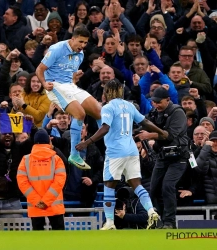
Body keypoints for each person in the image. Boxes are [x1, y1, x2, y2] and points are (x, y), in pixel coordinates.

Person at [76, 79, 168, 230]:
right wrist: (160, 131)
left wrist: (87, 142)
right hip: (131, 150)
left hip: (116, 152)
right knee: (136, 184)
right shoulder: (129, 106)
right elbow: (144, 122)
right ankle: (152, 211)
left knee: (109, 186)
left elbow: (105, 127)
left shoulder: (108, 107)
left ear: (107, 92)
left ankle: (110, 222)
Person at [36, 26, 102, 170]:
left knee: (99, 111)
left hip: (69, 86)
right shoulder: (57, 49)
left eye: (85, 43)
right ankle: (74, 154)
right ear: (72, 39)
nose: (83, 46)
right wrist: (43, 83)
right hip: (54, 85)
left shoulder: (81, 54)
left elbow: (69, 76)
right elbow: (39, 69)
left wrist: (74, 78)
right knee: (80, 114)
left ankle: (109, 145)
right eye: (80, 42)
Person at [136, 87, 190, 229]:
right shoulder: (154, 112)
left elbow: (171, 135)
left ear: (168, 100)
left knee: (168, 186)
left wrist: (149, 136)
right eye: (154, 102)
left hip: (179, 156)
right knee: (153, 188)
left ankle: (170, 222)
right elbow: (144, 124)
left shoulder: (178, 112)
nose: (156, 105)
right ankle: (158, 219)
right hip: (162, 156)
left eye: (159, 102)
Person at [17, 129, 66, 230]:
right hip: (54, 206)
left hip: (35, 206)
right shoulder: (56, 159)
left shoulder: (25, 160)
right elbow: (59, 182)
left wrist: (37, 201)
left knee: (37, 240)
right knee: (60, 240)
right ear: (48, 141)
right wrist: (46, 201)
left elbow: (22, 183)